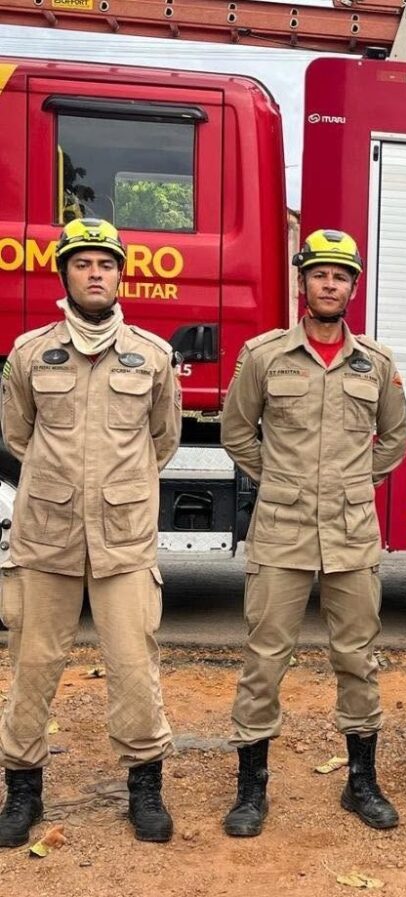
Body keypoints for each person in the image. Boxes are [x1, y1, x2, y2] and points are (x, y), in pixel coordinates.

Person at [220, 229, 406, 836]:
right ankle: (252, 789)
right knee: (264, 658)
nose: (330, 284)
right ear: (302, 282)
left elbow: (395, 441)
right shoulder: (265, 355)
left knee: (357, 656)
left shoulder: (375, 363)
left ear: (353, 286)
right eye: (319, 274)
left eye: (341, 276)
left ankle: (362, 782)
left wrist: (351, 482)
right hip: (282, 527)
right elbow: (237, 432)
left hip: (353, 532)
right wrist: (282, 479)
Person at [0, 218, 181, 846]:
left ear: (120, 273)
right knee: (33, 663)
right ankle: (22, 789)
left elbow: (163, 441)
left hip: (124, 538)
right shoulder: (29, 353)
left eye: (106, 262)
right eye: (82, 263)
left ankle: (144, 786)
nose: (95, 272)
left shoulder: (153, 356)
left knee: (134, 664)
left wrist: (114, 488)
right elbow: (19, 436)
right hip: (45, 536)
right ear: (65, 274)